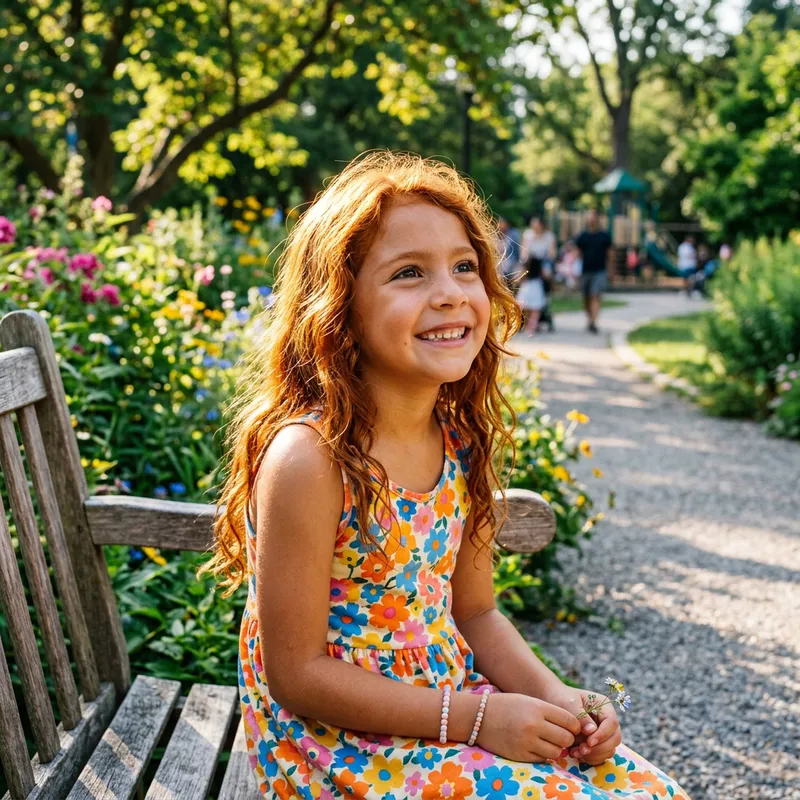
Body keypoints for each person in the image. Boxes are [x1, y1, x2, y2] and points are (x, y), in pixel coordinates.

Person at [199, 152, 692, 800]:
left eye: (465, 266)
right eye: (409, 272)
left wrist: (560, 700)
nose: (451, 292)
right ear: (338, 309)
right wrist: (477, 719)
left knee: (645, 789)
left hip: (448, 709)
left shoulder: (457, 441)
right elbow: (295, 674)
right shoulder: (311, 458)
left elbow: (478, 613)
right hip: (336, 743)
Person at [518, 216, 556, 334]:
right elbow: (523, 253)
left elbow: (551, 253)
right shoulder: (528, 235)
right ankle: (525, 322)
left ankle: (534, 322)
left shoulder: (548, 237)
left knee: (545, 279)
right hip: (530, 264)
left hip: (543, 264)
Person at [575, 210, 612, 334]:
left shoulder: (604, 236)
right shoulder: (582, 236)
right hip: (585, 271)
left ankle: (594, 322)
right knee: (586, 297)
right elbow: (577, 253)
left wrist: (611, 270)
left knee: (595, 295)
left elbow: (610, 254)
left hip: (600, 270)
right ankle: (589, 319)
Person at [496, 216, 521, 291]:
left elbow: (516, 252)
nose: (500, 225)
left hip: (511, 262)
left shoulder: (513, 235)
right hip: (499, 262)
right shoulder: (494, 236)